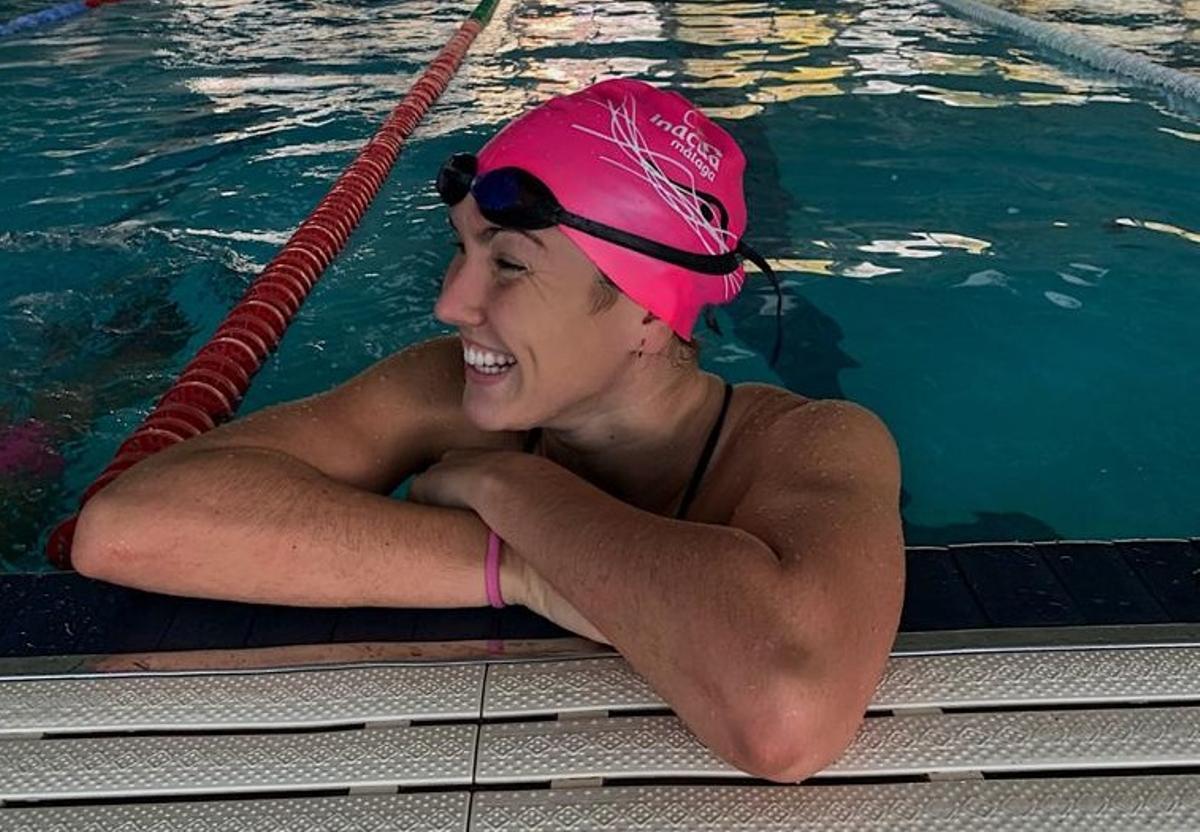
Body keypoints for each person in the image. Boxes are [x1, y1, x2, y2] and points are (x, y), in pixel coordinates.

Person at [73, 78, 904, 783]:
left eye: (508, 264)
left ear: (650, 310)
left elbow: (787, 718)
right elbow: (127, 529)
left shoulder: (815, 442)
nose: (450, 303)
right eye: (462, 250)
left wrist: (508, 484)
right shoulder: (444, 387)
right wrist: (522, 569)